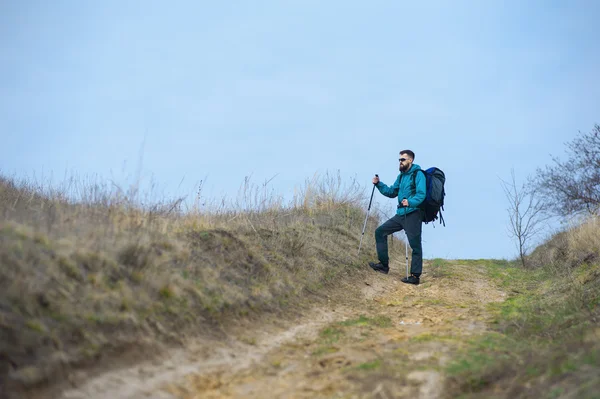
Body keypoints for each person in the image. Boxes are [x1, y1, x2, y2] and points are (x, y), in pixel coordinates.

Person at [369, 150, 426, 285]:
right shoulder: (401, 176)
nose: (400, 162)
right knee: (380, 232)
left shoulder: (418, 174)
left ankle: (415, 276)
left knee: (415, 246)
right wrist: (378, 184)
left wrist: (410, 202)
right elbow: (391, 192)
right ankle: (383, 265)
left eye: (403, 159)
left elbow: (421, 194)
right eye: (399, 160)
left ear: (410, 160)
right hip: (400, 214)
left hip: (413, 213)